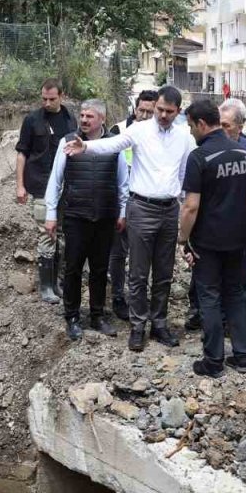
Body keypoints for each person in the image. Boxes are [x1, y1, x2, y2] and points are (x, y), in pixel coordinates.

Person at [64, 86, 196, 352]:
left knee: (164, 273)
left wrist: (182, 204)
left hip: (169, 210)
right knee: (137, 273)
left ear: (178, 112)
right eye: (160, 109)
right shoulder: (139, 130)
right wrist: (86, 146)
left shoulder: (184, 137)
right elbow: (113, 144)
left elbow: (185, 173)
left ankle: (159, 323)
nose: (163, 115)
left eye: (169, 112)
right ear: (155, 106)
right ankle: (138, 326)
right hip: (142, 208)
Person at [179, 100, 246, 377]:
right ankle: (243, 356)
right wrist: (240, 227)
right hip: (237, 238)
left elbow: (191, 206)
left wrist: (183, 238)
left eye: (191, 126)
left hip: (208, 241)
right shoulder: (243, 153)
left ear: (201, 124)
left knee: (209, 296)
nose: (190, 132)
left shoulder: (199, 157)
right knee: (234, 294)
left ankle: (213, 361)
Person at [43, 99, 129, 341]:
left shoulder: (114, 144)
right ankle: (72, 317)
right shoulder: (67, 141)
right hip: (76, 216)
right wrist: (51, 215)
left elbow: (123, 182)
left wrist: (122, 212)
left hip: (105, 217)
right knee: (73, 268)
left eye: (89, 116)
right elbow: (55, 181)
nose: (84, 120)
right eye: (82, 115)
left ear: (102, 119)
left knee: (100, 269)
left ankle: (97, 315)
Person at [185, 99, 246, 332]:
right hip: (214, 228)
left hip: (244, 228)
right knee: (212, 279)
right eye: (219, 124)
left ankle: (242, 325)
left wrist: (242, 218)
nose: (221, 129)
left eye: (227, 125)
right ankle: (212, 319)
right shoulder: (207, 151)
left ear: (240, 126)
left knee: (242, 280)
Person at [16, 78, 76, 303]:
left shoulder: (70, 119)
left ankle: (56, 282)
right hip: (40, 185)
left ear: (62, 96)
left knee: (60, 235)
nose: (47, 103)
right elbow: (22, 153)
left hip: (64, 186)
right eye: (44, 99)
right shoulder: (32, 120)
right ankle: (46, 286)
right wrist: (20, 185)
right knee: (46, 233)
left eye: (51, 99)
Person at [107, 89, 158, 321]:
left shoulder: (161, 134)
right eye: (142, 110)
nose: (145, 116)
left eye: (150, 112)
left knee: (145, 255)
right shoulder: (119, 131)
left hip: (147, 203)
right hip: (121, 200)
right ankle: (118, 296)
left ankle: (142, 298)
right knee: (118, 252)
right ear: (135, 109)